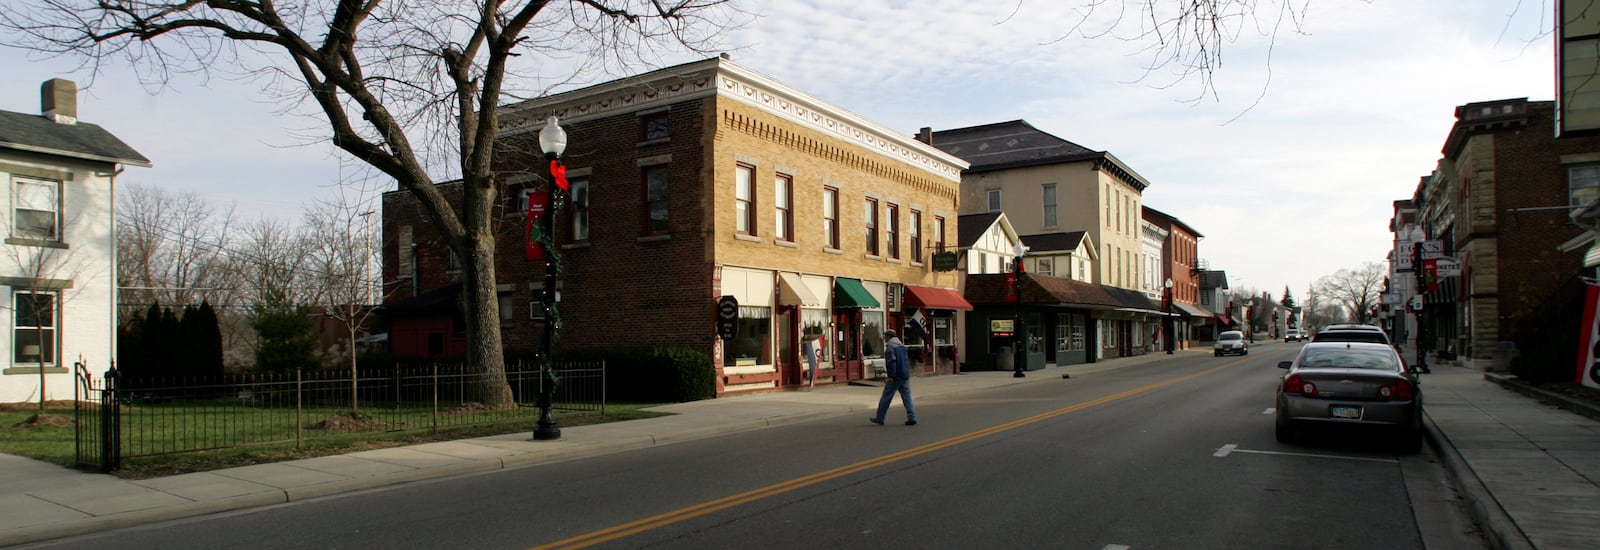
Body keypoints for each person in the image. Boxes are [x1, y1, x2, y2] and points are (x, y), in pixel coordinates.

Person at [870, 329, 917, 426]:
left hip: (896, 376)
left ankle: (880, 417)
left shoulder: (890, 347)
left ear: (889, 336)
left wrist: (891, 375)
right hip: (904, 374)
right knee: (907, 397)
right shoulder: (901, 345)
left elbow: (891, 362)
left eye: (885, 336)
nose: (884, 338)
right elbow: (905, 360)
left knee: (886, 397)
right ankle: (911, 417)